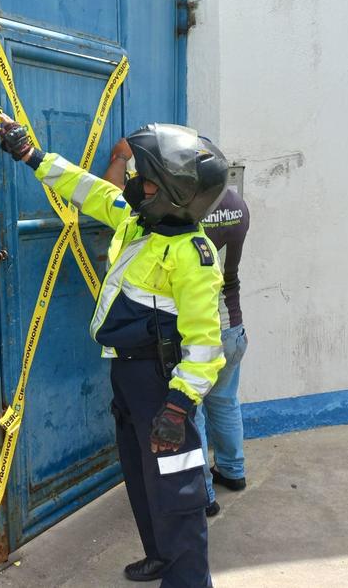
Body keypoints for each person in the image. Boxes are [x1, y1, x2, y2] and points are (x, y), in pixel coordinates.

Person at [0, 116, 228, 588]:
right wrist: (32, 156)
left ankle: (188, 581)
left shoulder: (193, 256)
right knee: (141, 479)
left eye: (147, 180)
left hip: (164, 386)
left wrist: (178, 406)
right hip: (129, 376)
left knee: (177, 490)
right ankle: (160, 556)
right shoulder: (139, 222)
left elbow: (205, 344)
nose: (135, 183)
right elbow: (89, 189)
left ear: (173, 194)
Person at [106, 139, 251, 517]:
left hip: (196, 333)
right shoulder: (237, 206)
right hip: (232, 324)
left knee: (190, 415)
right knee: (226, 403)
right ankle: (234, 470)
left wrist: (120, 158)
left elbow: (119, 198)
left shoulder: (182, 220)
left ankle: (203, 494)